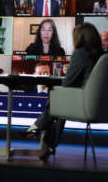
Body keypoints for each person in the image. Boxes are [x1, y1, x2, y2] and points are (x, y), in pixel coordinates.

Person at [20, 23, 104, 161]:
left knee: (58, 96)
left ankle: (37, 128)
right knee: (60, 106)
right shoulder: (102, 54)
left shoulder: (80, 53)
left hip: (85, 106)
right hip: (101, 108)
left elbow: (67, 82)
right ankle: (48, 145)